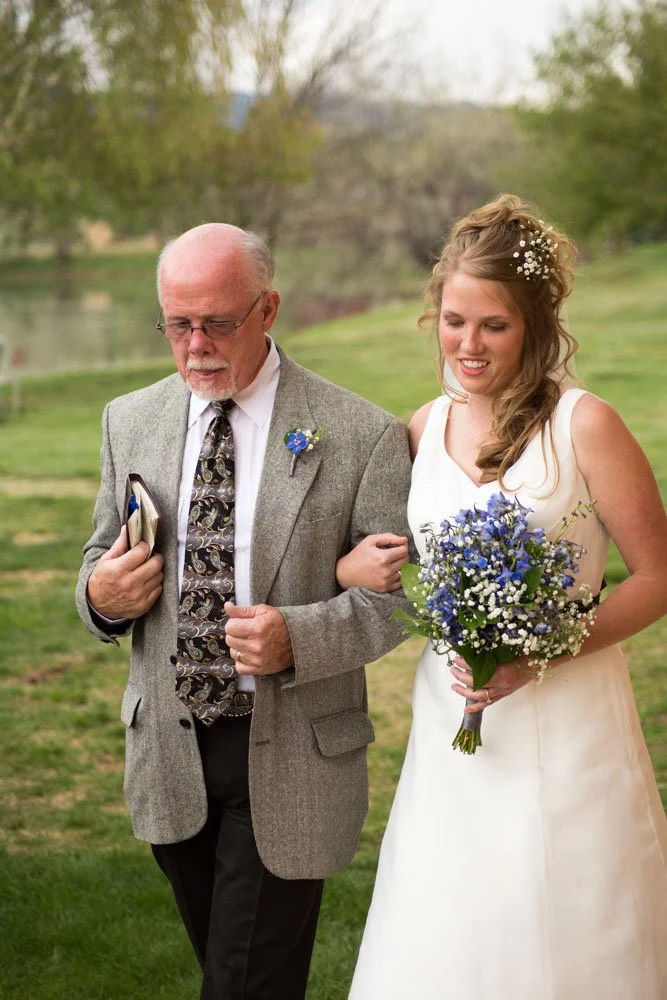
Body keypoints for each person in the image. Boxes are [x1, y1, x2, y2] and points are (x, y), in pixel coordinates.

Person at [339, 195, 667, 999]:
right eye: (454, 321)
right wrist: (351, 569)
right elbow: (389, 553)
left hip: (569, 721)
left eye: (494, 325)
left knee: (567, 921)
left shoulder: (584, 425)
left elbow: (656, 577)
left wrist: (541, 653)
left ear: (535, 324)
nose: (468, 344)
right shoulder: (422, 429)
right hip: (451, 720)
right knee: (449, 921)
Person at [75, 223, 413, 1000]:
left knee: (242, 984)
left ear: (268, 309)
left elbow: (397, 602)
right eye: (177, 324)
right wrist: (99, 596)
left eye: (218, 323)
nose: (195, 345)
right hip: (169, 747)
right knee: (230, 970)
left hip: (291, 749)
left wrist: (298, 637)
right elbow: (98, 556)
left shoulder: (360, 434)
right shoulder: (128, 419)